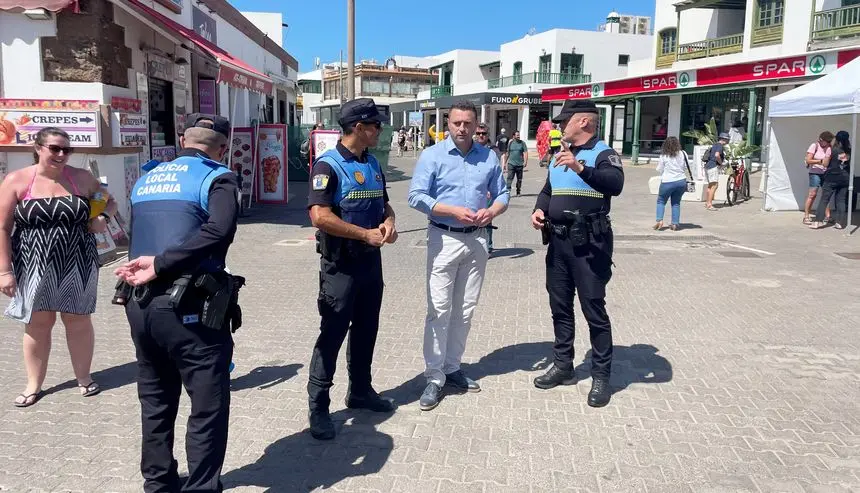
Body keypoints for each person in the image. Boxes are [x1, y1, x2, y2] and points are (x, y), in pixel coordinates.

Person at [115, 113, 240, 492]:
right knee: (206, 406)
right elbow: (219, 230)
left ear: (183, 139)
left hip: (140, 306)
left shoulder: (148, 177)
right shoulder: (217, 177)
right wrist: (162, 264)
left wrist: (150, 264)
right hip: (190, 309)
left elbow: (139, 236)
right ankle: (201, 487)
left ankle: (158, 484)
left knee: (155, 400)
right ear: (223, 148)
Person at [0, 127, 116, 407]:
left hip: (78, 261)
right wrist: (4, 271)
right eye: (54, 148)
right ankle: (33, 385)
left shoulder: (81, 178)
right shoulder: (17, 180)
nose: (61, 154)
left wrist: (101, 218)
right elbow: (3, 227)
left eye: (67, 149)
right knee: (38, 324)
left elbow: (108, 201)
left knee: (77, 320)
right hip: (33, 263)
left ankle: (84, 378)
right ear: (38, 148)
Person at [306, 98, 398, 440]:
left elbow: (384, 202)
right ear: (358, 128)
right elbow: (319, 215)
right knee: (332, 334)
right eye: (375, 126)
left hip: (370, 265)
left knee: (366, 329)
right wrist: (363, 233)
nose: (380, 130)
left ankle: (360, 390)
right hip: (340, 266)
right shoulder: (327, 166)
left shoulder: (372, 162)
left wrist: (389, 221)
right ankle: (318, 406)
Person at [408, 100, 508, 411]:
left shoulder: (488, 157)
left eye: (468, 124)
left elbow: (503, 193)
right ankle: (434, 376)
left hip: (477, 240)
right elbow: (416, 196)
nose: (462, 129)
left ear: (477, 125)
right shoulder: (432, 156)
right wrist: (452, 210)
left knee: (464, 310)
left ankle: (452, 367)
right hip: (443, 238)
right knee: (439, 309)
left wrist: (492, 211)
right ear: (447, 124)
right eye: (456, 123)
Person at [530, 100, 624, 408]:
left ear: (583, 121)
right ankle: (563, 364)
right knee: (559, 306)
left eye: (564, 121)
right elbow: (548, 190)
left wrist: (579, 166)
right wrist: (539, 209)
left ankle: (601, 376)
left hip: (590, 245)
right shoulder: (561, 155)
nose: (559, 126)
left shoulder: (603, 153)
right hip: (558, 243)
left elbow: (615, 183)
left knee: (593, 310)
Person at [811, 130, 851, 230]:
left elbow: (825, 163)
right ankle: (840, 223)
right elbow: (844, 162)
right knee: (841, 200)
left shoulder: (832, 149)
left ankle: (817, 221)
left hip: (831, 177)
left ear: (836, 139)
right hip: (844, 178)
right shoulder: (848, 150)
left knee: (824, 199)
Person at [653, 136, 690, 231]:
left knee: (661, 201)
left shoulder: (664, 155)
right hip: (681, 181)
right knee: (676, 203)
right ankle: (674, 224)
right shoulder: (683, 153)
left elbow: (659, 169)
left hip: (667, 181)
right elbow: (686, 166)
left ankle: (659, 221)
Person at [475, 123, 498, 252]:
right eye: (478, 133)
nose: (481, 136)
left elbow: (495, 172)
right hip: (474, 190)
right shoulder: (470, 148)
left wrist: (490, 189)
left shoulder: (493, 151)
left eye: (483, 133)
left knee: (486, 219)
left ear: (487, 135)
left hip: (487, 192)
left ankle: (488, 246)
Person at [804, 131, 833, 225]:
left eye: (830, 141)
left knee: (826, 194)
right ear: (821, 140)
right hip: (815, 173)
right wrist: (820, 161)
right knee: (812, 194)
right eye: (827, 141)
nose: (829, 143)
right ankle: (806, 216)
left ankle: (827, 216)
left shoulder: (829, 147)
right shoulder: (814, 146)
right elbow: (808, 160)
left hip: (825, 173)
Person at [704, 132, 729, 211]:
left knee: (710, 185)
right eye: (728, 139)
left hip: (708, 166)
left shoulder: (714, 145)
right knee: (715, 185)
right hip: (713, 166)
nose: (728, 141)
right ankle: (709, 204)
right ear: (724, 139)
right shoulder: (720, 146)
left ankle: (707, 202)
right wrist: (721, 163)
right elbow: (717, 155)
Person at [505, 130, 529, 196]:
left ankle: (518, 191)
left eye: (519, 135)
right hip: (511, 163)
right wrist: (505, 163)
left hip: (519, 164)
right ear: (513, 136)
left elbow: (525, 152)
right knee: (509, 178)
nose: (518, 136)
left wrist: (525, 161)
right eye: (517, 135)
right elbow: (507, 153)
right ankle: (508, 191)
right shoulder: (510, 143)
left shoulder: (522, 143)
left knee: (519, 179)